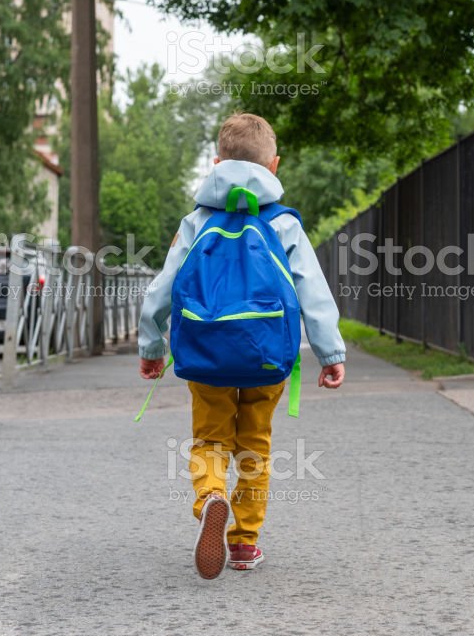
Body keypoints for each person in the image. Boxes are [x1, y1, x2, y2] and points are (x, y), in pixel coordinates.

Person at [137, 113, 346, 579]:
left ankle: (211, 495)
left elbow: (163, 288)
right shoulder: (284, 224)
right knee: (255, 445)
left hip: (206, 354)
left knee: (210, 439)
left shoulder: (196, 222)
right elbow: (313, 291)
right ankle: (244, 543)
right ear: (274, 166)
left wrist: (151, 345)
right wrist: (331, 354)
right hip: (267, 355)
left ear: (216, 163)